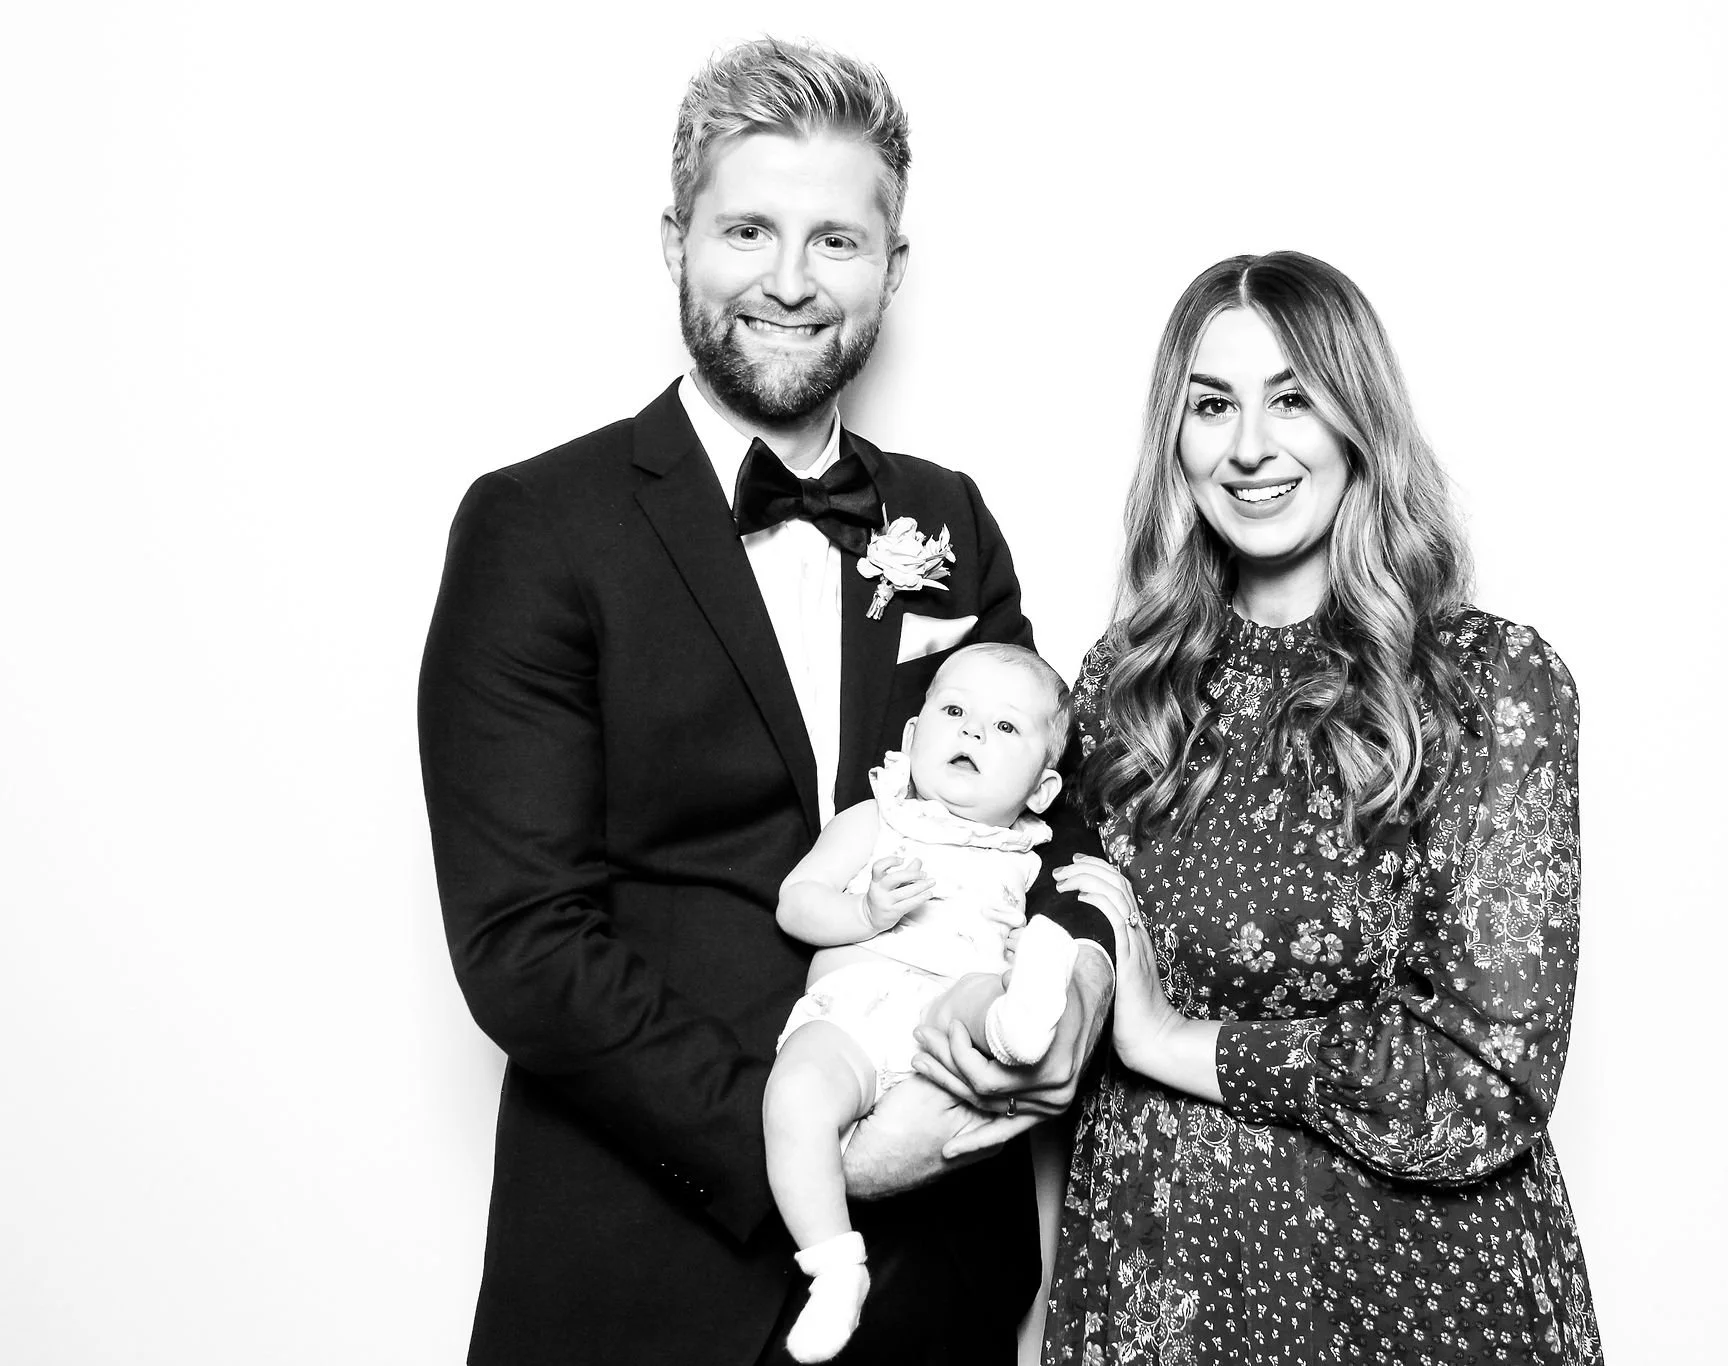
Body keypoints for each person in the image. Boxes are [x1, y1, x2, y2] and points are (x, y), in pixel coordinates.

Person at [417, 39, 1109, 1366]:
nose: (792, 280)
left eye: (838, 240)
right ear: (676, 239)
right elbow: (524, 940)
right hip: (643, 1269)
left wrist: (1076, 965)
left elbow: (1054, 813)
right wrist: (828, 1145)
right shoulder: (534, 527)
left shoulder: (944, 517)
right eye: (749, 229)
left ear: (894, 268)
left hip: (940, 1283)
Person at [1040, 252, 1602, 1364]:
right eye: (1211, 404)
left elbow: (1485, 1080)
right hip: (1160, 1287)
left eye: (1291, 397)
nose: (1248, 444)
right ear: (1177, 437)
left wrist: (1167, 1040)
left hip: (1410, 1300)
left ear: (1358, 421)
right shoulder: (1119, 687)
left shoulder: (1486, 684)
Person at [766, 644, 1105, 1361]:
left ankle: (1018, 1018)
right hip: (854, 1015)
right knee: (794, 1095)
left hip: (946, 1017)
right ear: (914, 739)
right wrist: (865, 913)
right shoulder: (876, 820)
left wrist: (1030, 962)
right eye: (954, 712)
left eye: (1005, 728)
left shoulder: (1027, 852)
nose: (973, 733)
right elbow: (796, 902)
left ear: (1042, 790)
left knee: (985, 991)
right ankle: (834, 1269)